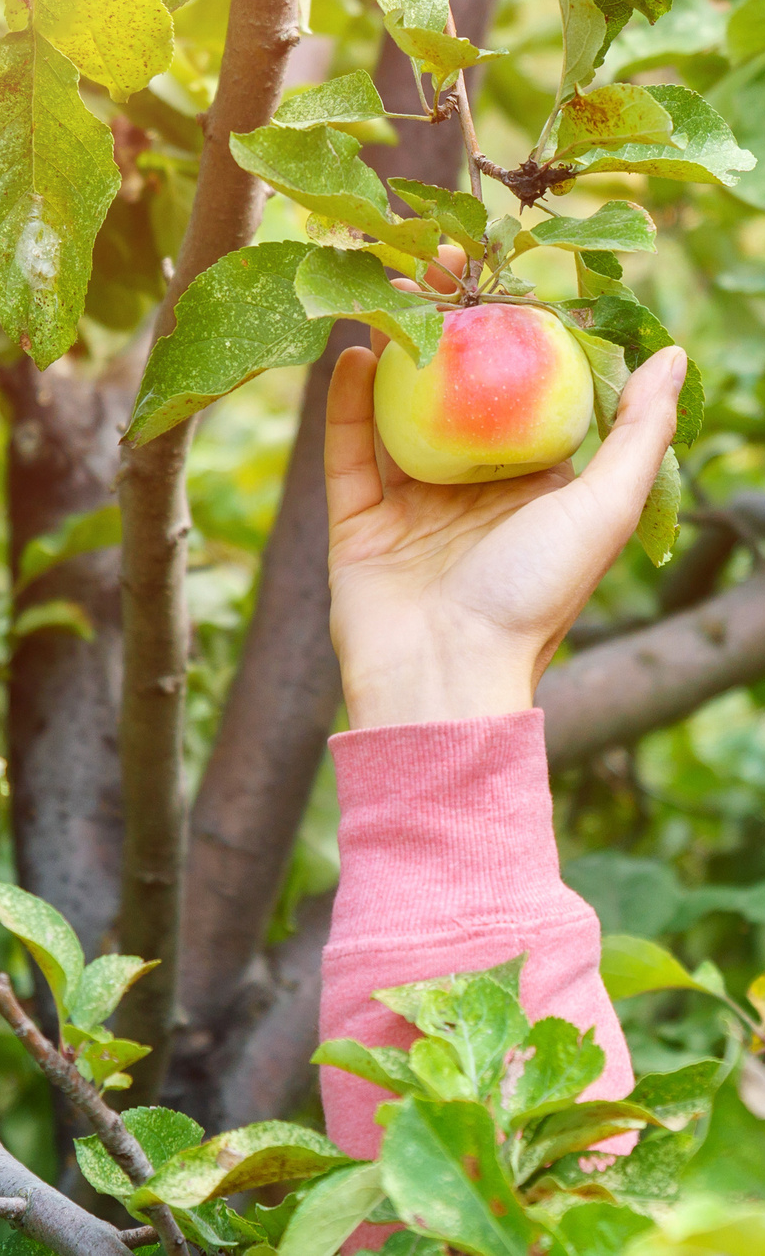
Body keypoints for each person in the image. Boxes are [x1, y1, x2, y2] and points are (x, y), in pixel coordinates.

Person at [311, 246, 689, 1157]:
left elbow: (422, 1170)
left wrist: (452, 662)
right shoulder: (565, 1208)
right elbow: (527, 1173)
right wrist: (460, 656)